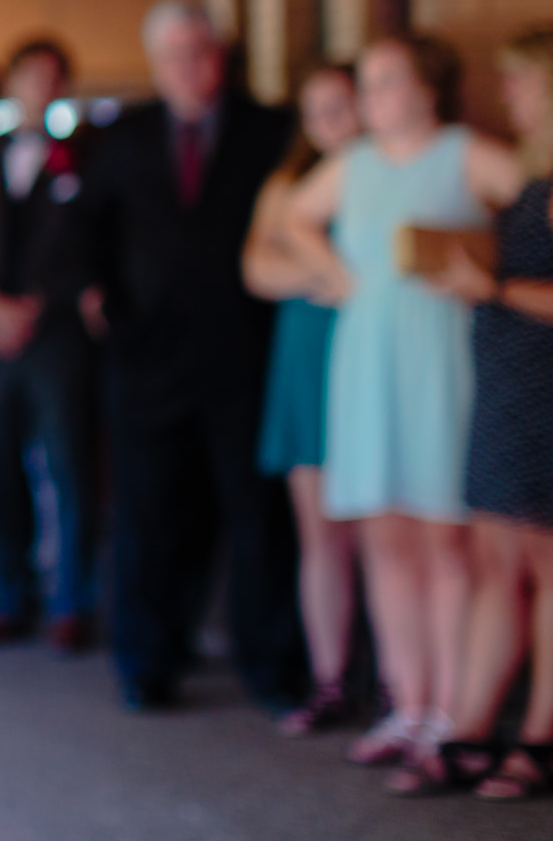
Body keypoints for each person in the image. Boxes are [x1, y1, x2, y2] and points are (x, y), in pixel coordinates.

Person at [282, 35, 519, 767]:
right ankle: (407, 701)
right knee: (386, 537)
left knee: (446, 538)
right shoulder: (350, 166)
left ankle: (454, 709)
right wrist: (338, 274)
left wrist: (493, 267)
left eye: (387, 80)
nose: (372, 95)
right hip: (368, 357)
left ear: (428, 88)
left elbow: (535, 197)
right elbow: (291, 217)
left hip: (440, 353)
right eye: (368, 82)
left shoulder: (464, 153)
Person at [80, 0, 303, 710]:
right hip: (147, 359)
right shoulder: (122, 134)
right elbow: (91, 230)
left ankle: (271, 665)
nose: (189, 67)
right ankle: (147, 660)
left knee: (256, 516)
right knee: (149, 515)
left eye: (200, 52)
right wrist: (101, 300)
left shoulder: (271, 130)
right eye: (174, 55)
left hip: (246, 353)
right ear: (156, 63)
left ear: (221, 55)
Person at [386, 27, 553, 798]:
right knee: (495, 564)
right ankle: (471, 726)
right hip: (506, 385)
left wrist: (490, 289)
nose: (508, 93)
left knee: (547, 568)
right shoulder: (529, 179)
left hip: (543, 387)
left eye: (520, 81)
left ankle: (542, 737)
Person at [0, 38, 95, 652]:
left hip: (55, 334)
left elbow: (93, 243)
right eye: (32, 75)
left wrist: (39, 304)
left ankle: (73, 602)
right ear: (13, 81)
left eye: (55, 78)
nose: (42, 87)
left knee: (68, 469)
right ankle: (8, 595)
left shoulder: (83, 156)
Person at [241, 63, 363, 736]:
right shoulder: (291, 181)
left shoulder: (386, 176)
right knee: (319, 534)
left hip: (372, 357)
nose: (327, 123)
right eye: (315, 111)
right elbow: (257, 267)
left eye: (339, 107)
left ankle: (401, 679)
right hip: (308, 353)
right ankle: (331, 676)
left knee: (381, 529)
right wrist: (328, 275)